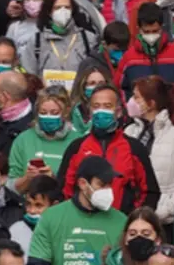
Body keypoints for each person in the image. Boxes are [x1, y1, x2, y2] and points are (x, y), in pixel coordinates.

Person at [28, 156, 128, 265]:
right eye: (101, 184)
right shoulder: (52, 217)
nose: (107, 190)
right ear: (82, 184)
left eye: (109, 184)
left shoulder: (121, 221)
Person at [58, 85, 158, 214]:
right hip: (81, 226)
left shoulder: (134, 148)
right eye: (96, 106)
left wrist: (131, 220)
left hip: (120, 225)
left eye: (107, 106)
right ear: (90, 111)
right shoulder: (76, 147)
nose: (101, 111)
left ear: (118, 111)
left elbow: (150, 192)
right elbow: (64, 190)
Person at [123, 77, 174, 227]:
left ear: (151, 103)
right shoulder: (129, 132)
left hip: (169, 222)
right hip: (133, 220)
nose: (130, 101)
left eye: (136, 97)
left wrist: (164, 210)